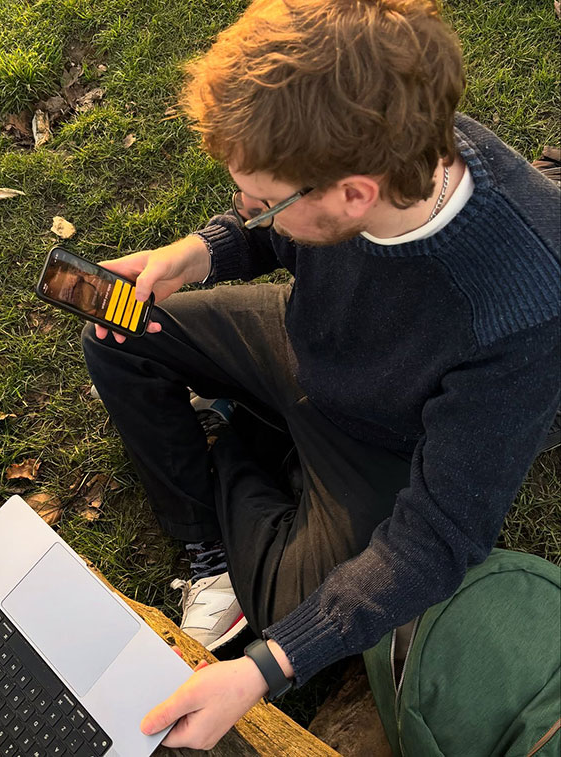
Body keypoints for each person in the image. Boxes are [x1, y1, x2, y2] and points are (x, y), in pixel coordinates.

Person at [81, 0, 560, 749]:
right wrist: (198, 253)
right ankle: (212, 535)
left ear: (355, 195)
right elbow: (278, 242)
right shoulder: (382, 148)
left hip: (388, 440)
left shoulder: (525, 307)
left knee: (287, 626)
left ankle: (240, 439)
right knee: (116, 330)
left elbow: (440, 536)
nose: (247, 212)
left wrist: (262, 669)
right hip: (306, 347)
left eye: (264, 202)